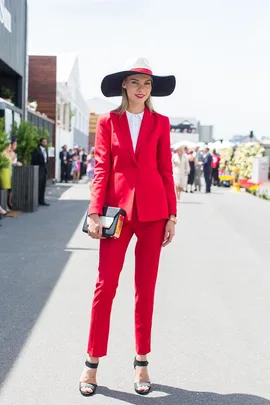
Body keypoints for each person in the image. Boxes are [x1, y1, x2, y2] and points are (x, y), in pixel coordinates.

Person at [79, 56, 177, 397]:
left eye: (147, 84)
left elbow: (167, 170)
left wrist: (172, 216)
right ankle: (91, 364)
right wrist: (94, 211)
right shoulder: (107, 121)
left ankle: (142, 362)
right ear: (124, 85)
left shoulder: (162, 122)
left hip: (154, 214)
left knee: (144, 290)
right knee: (105, 286)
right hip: (116, 214)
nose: (141, 89)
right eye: (135, 82)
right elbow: (101, 168)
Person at [31, 138, 49, 206]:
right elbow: (33, 161)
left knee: (43, 186)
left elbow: (46, 161)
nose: (45, 143)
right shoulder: (37, 150)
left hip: (44, 170)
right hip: (38, 170)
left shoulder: (45, 151)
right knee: (38, 186)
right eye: (44, 142)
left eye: (46, 142)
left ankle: (42, 200)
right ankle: (36, 201)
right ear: (41, 142)